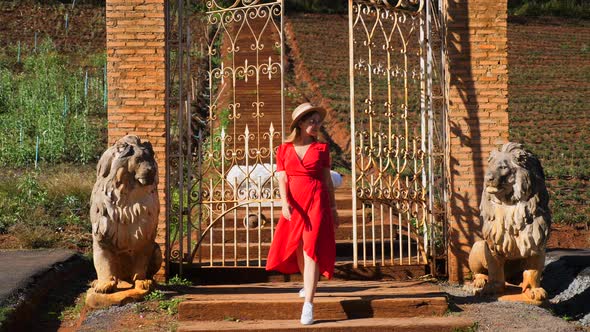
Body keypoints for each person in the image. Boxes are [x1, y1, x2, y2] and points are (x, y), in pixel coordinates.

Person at [265, 102, 339, 325]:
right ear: (300, 123)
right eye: (311, 121)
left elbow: (327, 181)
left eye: (318, 122)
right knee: (298, 246)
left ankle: (308, 303)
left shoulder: (322, 149)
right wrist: (284, 203)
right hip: (294, 204)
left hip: (316, 202)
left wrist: (334, 209)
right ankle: (308, 285)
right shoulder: (283, 149)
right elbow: (282, 178)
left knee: (311, 249)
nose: (316, 125)